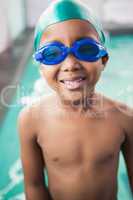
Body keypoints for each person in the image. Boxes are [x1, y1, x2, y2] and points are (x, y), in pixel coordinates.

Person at [18, 0, 133, 199]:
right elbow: (35, 185)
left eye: (86, 49)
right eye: (52, 53)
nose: (70, 64)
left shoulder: (124, 119)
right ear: (41, 66)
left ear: (103, 59)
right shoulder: (31, 120)